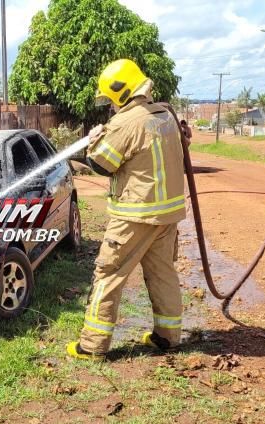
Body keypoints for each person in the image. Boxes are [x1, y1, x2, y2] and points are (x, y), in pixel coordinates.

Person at [66, 59, 187, 360]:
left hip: (134, 214)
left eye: (109, 98)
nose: (109, 105)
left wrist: (94, 142)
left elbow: (102, 164)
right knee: (163, 274)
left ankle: (91, 346)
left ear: (120, 92)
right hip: (167, 215)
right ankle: (167, 337)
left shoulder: (126, 122)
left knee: (109, 273)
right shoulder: (165, 115)